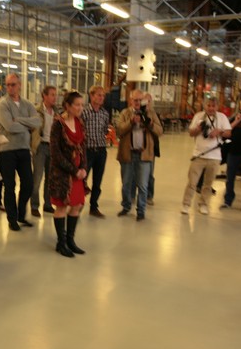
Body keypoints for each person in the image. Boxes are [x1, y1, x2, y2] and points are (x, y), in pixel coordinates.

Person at [0, 73, 41, 231]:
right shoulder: (2, 104)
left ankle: (21, 214)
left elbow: (38, 122)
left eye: (13, 84)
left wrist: (19, 120)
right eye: (7, 85)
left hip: (23, 149)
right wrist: (27, 125)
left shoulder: (27, 104)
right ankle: (12, 218)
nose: (10, 88)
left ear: (20, 85)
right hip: (7, 150)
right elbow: (10, 127)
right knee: (9, 186)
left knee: (28, 184)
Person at [49, 91, 88, 257]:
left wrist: (84, 167)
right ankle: (61, 242)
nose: (80, 108)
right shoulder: (58, 124)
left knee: (77, 205)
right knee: (62, 207)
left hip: (78, 173)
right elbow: (55, 154)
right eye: (77, 105)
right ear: (67, 106)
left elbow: (83, 147)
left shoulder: (80, 122)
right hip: (63, 174)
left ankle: (70, 240)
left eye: (82, 105)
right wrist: (74, 170)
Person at [116, 89, 163, 221]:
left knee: (143, 185)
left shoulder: (151, 113)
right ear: (130, 100)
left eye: (140, 100)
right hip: (127, 154)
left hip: (144, 155)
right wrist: (131, 122)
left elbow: (160, 131)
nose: (138, 102)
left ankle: (141, 211)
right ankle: (126, 206)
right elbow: (119, 130)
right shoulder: (125, 113)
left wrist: (150, 124)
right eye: (135, 100)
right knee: (126, 184)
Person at [181, 97, 231, 215]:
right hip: (198, 155)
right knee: (192, 182)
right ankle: (186, 204)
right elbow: (191, 133)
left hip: (215, 156)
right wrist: (198, 129)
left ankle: (203, 204)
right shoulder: (198, 116)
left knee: (208, 184)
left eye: (213, 106)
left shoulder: (222, 117)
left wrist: (219, 131)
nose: (211, 108)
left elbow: (229, 133)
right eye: (208, 105)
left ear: (217, 107)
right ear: (204, 106)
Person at [81, 85, 110, 218]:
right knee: (82, 179)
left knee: (97, 181)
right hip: (87, 151)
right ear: (91, 96)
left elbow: (105, 130)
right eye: (99, 95)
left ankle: (94, 207)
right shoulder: (84, 112)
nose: (101, 98)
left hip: (101, 151)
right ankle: (78, 205)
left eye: (103, 96)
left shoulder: (105, 114)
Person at [30, 85, 57, 217]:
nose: (54, 97)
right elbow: (31, 129)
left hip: (53, 147)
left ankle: (48, 204)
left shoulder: (57, 113)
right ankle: (34, 205)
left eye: (55, 95)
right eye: (52, 94)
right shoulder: (36, 111)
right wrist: (33, 144)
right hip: (40, 147)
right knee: (37, 178)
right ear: (44, 96)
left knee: (50, 179)